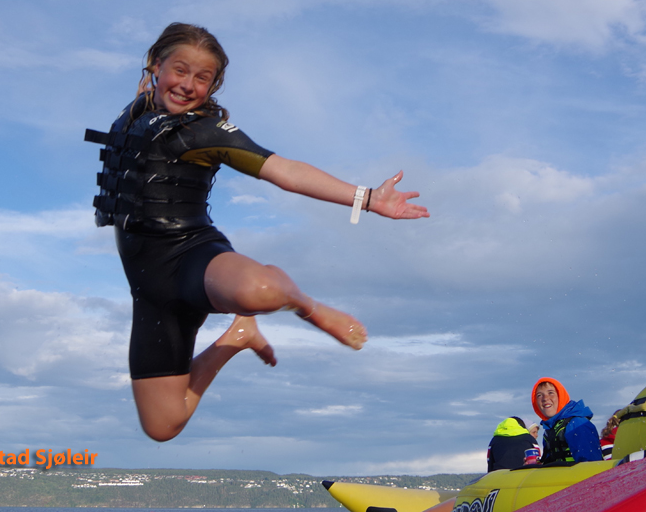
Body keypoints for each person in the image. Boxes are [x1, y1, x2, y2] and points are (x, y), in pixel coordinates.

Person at [86, 23, 430, 442]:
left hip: (194, 258)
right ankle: (240, 334)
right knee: (163, 426)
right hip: (149, 290)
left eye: (202, 78)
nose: (188, 85)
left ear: (213, 86)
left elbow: (285, 171)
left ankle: (306, 305)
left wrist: (369, 197)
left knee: (262, 292)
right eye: (180, 70)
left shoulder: (205, 132)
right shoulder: (136, 114)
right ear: (156, 66)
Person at [532, 377, 603, 463]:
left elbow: (592, 464)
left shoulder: (576, 424)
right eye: (539, 395)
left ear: (561, 396)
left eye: (551, 393)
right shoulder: (550, 430)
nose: (545, 398)